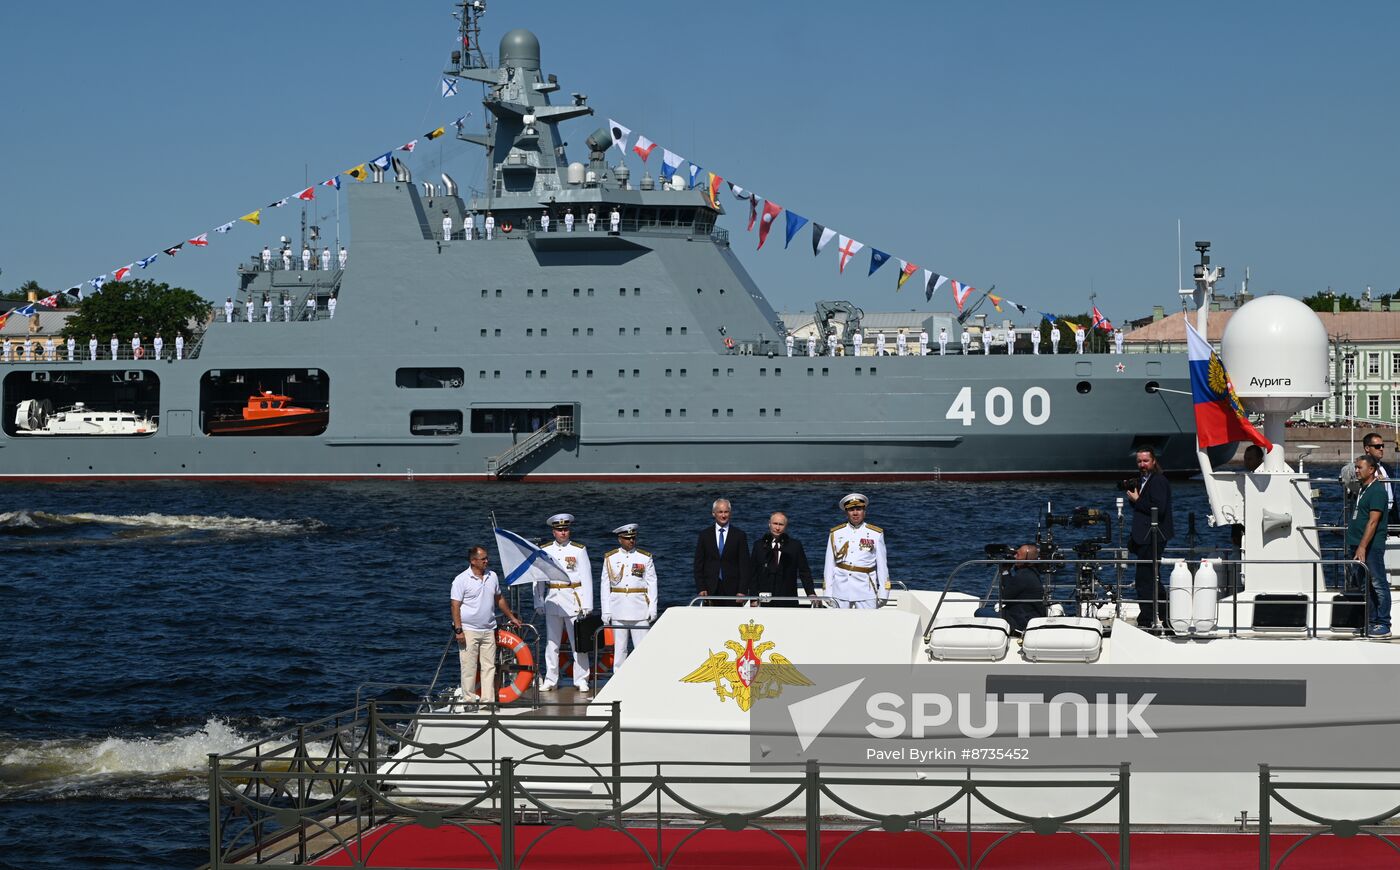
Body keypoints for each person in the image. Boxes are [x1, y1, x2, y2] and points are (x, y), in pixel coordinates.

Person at [451, 546, 523, 706]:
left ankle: (487, 703)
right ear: (473, 561)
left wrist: (511, 617)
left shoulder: (492, 576)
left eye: (486, 558)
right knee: (469, 667)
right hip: (469, 630)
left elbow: (499, 599)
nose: (486, 561)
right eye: (483, 559)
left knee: (489, 667)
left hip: (489, 629)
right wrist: (458, 630)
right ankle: (468, 702)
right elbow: (455, 606)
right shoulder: (461, 580)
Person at [537, 513, 594, 692]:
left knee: (578, 642)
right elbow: (538, 577)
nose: (563, 533)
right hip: (553, 598)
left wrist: (588, 604)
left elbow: (586, 578)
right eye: (559, 530)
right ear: (553, 531)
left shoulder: (579, 550)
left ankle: (581, 678)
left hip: (573, 599)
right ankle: (550, 679)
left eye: (565, 529)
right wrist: (538, 600)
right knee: (552, 643)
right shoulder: (544, 550)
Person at [1127, 446, 1174, 629]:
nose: (1142, 464)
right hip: (1145, 537)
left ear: (1154, 461)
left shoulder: (1159, 481)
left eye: (1145, 461)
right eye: (1139, 461)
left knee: (1145, 579)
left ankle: (1148, 618)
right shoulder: (1143, 480)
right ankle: (1163, 614)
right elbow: (1145, 509)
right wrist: (1137, 500)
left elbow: (1158, 509)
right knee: (1150, 578)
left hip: (1154, 536)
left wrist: (1137, 500)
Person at [601, 524, 657, 669]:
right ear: (620, 539)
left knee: (642, 647)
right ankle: (618, 677)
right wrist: (606, 610)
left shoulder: (645, 557)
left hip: (639, 608)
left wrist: (652, 608)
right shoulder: (610, 557)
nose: (631, 541)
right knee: (620, 649)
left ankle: (643, 674)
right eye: (627, 538)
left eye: (633, 538)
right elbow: (605, 586)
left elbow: (652, 584)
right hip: (618, 608)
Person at [1347, 454, 1390, 638]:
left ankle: (1383, 623)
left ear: (1371, 469)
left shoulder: (1377, 491)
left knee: (1378, 583)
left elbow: (1373, 522)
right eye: (1356, 467)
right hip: (1357, 544)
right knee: (1365, 585)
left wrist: (1363, 546)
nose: (1356, 470)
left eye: (1359, 467)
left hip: (1370, 547)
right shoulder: (1363, 489)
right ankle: (1371, 621)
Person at [824, 493, 889, 608]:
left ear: (864, 511)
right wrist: (827, 591)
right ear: (846, 512)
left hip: (866, 590)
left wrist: (884, 592)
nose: (855, 513)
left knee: (867, 624)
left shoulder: (876, 533)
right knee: (838, 624)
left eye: (858, 509)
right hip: (840, 589)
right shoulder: (836, 533)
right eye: (851, 510)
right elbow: (829, 565)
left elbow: (882, 566)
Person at [974, 544, 1049, 633]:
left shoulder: (1022, 576)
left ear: (1026, 560)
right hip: (1028, 614)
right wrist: (1008, 570)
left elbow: (1004, 597)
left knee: (980, 612)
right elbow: (1012, 589)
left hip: (1020, 620)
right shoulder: (1031, 573)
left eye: (1018, 555)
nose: (1014, 557)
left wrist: (1005, 571)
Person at [748, 512, 816, 606]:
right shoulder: (759, 545)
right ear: (769, 524)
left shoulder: (795, 546)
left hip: (788, 598)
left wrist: (810, 593)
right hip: (764, 598)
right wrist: (753, 597)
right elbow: (753, 574)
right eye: (775, 523)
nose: (777, 527)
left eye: (781, 524)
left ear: (786, 526)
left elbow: (804, 572)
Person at [694, 498, 751, 605]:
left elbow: (745, 565)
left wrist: (742, 590)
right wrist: (701, 587)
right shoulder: (704, 535)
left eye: (726, 512)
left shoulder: (739, 535)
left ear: (730, 513)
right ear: (713, 513)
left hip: (733, 589)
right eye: (720, 512)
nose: (723, 515)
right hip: (710, 589)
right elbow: (698, 564)